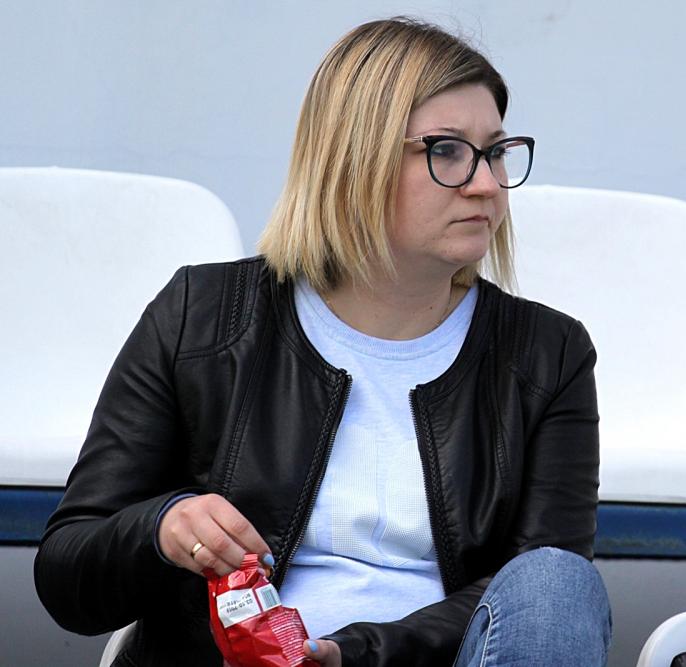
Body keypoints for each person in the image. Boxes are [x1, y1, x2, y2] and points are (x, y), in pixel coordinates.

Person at [35, 17, 611, 667]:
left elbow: (537, 603)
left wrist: (354, 653)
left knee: (557, 580)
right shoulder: (204, 316)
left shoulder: (547, 353)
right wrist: (163, 527)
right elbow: (66, 576)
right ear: (355, 157)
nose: (486, 183)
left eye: (497, 151)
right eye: (448, 151)